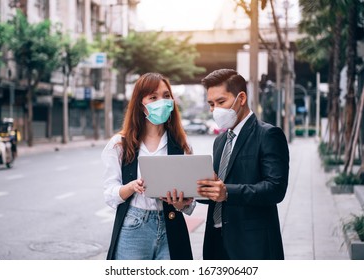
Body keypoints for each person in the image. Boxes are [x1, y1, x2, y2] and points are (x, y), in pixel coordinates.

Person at [197, 69, 289, 260]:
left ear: (241, 98)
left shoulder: (268, 135)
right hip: (216, 243)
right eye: (211, 104)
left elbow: (275, 189)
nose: (215, 110)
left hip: (252, 245)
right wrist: (192, 195)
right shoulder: (220, 140)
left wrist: (228, 192)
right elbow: (219, 190)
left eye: (221, 102)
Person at [101, 72, 194, 260]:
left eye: (166, 96)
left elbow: (190, 206)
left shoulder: (182, 145)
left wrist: (180, 203)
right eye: (153, 97)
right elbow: (109, 194)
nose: (162, 101)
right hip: (134, 226)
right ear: (140, 104)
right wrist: (131, 187)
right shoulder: (120, 144)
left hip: (171, 227)